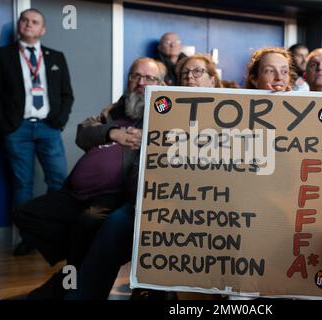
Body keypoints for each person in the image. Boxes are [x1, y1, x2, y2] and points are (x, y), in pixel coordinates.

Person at [63, 55, 221, 300]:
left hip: (206, 202)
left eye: (198, 71)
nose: (190, 77)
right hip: (152, 197)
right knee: (114, 223)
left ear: (213, 80)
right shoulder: (165, 105)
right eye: (184, 73)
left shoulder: (230, 112)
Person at [13, 57, 165, 299]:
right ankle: (75, 265)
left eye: (149, 78)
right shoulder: (115, 110)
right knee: (26, 213)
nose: (140, 82)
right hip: (74, 192)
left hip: (111, 195)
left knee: (89, 222)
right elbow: (83, 133)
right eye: (135, 76)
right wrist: (113, 133)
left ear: (161, 83)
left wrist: (145, 136)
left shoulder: (163, 113)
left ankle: (74, 273)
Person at [0, 8, 74, 255]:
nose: (29, 24)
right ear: (20, 25)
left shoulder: (56, 57)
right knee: (22, 185)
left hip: (48, 128)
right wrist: (6, 124)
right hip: (16, 130)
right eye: (25, 20)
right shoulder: (1, 56)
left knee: (59, 181)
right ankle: (28, 238)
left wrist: (58, 121)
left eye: (35, 22)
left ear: (43, 30)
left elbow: (66, 94)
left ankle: (55, 235)